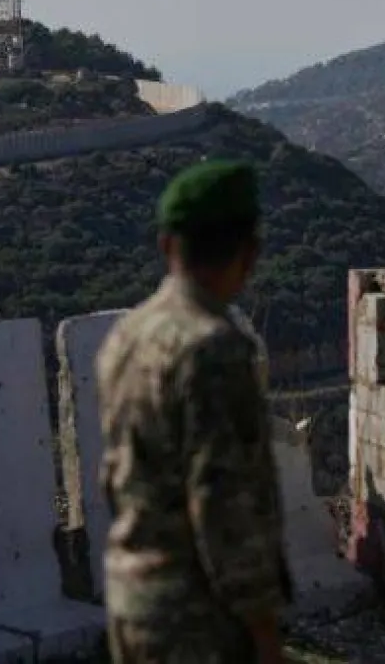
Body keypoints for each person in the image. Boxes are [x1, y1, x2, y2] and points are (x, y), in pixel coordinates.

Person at [96, 159, 290, 664]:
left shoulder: (125, 337)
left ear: (166, 246)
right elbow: (223, 502)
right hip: (198, 620)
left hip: (133, 599)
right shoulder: (213, 348)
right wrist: (263, 630)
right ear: (249, 254)